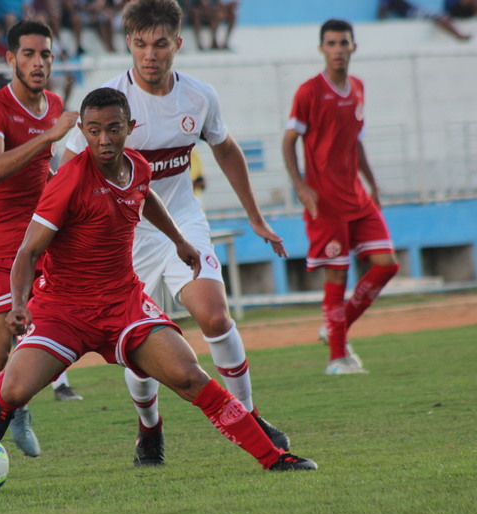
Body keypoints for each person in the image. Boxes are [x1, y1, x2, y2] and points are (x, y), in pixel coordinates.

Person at [0, 88, 317, 474]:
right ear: (84, 132)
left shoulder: (138, 167)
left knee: (190, 376)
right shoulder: (68, 183)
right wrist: (19, 304)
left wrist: (179, 241)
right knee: (13, 391)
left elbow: (146, 197)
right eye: (93, 131)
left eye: (113, 129)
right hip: (63, 310)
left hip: (123, 303)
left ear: (130, 128)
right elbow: (27, 253)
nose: (104, 140)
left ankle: (274, 459)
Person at [61, 0, 289, 467]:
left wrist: (254, 214)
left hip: (181, 221)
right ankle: (149, 429)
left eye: (160, 43)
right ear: (128, 43)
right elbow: (67, 168)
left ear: (177, 44)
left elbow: (226, 150)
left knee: (214, 316)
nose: (150, 54)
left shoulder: (199, 96)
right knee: (140, 350)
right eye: (141, 43)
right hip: (122, 237)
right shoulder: (106, 98)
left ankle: (248, 413)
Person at [0, 20, 80, 456]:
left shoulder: (54, 104)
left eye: (45, 54)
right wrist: (50, 136)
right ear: (10, 59)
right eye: (28, 54)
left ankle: (14, 401)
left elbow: (47, 170)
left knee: (43, 342)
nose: (38, 62)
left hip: (35, 243)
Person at [282, 19, 400, 375]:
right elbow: (288, 142)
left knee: (387, 264)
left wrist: (372, 183)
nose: (337, 49)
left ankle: (336, 327)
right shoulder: (309, 92)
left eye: (343, 43)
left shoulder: (359, 88)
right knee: (337, 277)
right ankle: (337, 359)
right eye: (331, 43)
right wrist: (301, 187)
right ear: (321, 49)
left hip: (357, 197)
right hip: (326, 202)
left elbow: (356, 139)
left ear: (353, 47)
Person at [378, 0, 471, 41]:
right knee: (438, 18)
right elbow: (382, 9)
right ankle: (458, 35)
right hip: (411, 13)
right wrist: (384, 24)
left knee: (442, 17)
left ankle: (456, 31)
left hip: (414, 11)